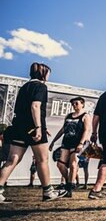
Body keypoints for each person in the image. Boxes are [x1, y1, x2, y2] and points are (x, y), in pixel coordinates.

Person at [0, 62, 67, 202]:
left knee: (12, 159)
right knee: (42, 159)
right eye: (48, 72)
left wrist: (42, 127)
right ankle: (48, 191)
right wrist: (38, 127)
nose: (49, 75)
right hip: (32, 128)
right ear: (43, 73)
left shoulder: (24, 87)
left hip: (19, 127)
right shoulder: (40, 86)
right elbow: (35, 106)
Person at [49, 96, 91, 197]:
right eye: (73, 104)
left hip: (77, 143)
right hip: (66, 142)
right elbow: (63, 129)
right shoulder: (68, 116)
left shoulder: (85, 116)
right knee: (60, 164)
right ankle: (70, 183)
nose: (74, 105)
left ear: (82, 104)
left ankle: (69, 190)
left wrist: (81, 143)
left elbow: (86, 130)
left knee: (73, 164)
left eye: (76, 103)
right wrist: (53, 141)